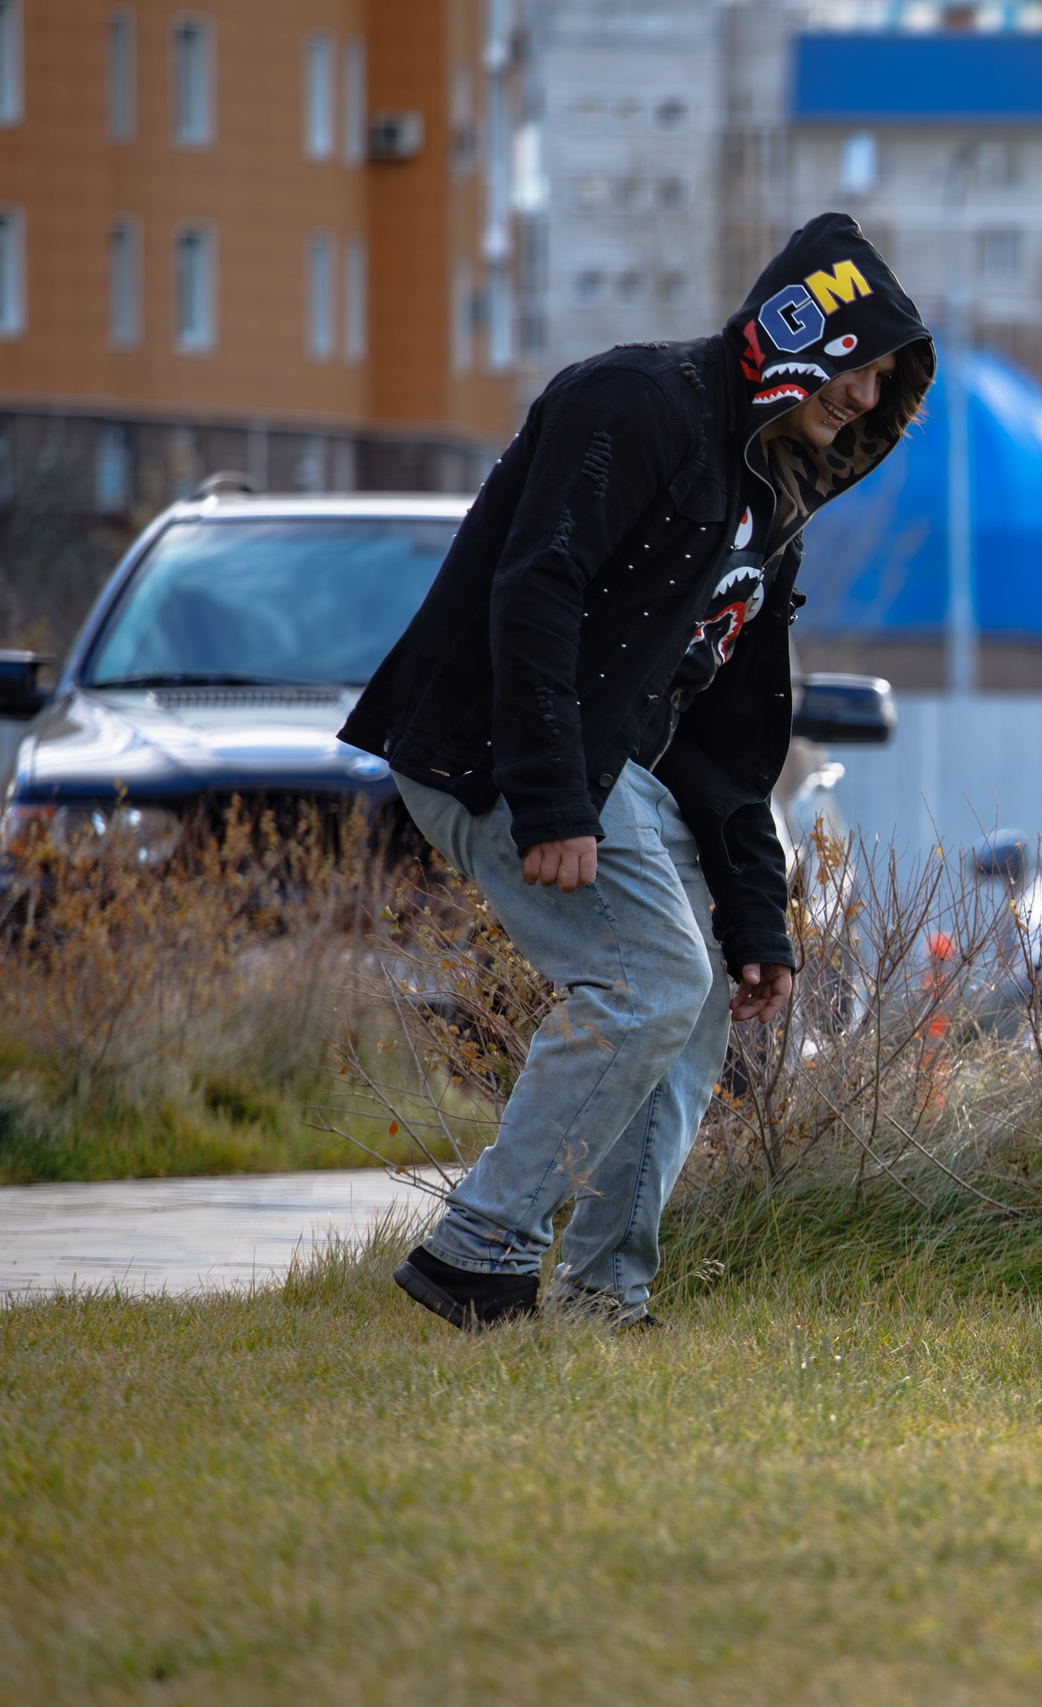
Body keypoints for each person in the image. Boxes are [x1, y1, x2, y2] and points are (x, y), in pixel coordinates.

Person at [342, 215, 935, 1330]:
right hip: (494, 750)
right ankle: (478, 1254)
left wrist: (758, 918)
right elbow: (537, 593)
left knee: (694, 993)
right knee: (648, 980)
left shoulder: (771, 499)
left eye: (886, 387)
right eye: (860, 371)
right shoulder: (632, 403)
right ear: (799, 335)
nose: (864, 402)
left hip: (607, 764)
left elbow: (730, 734)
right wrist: (551, 800)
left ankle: (604, 1292)